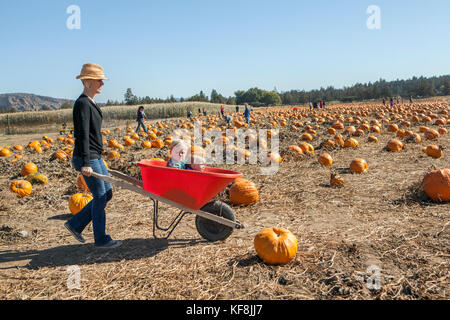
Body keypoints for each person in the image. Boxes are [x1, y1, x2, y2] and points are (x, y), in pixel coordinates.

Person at [64, 63, 121, 249]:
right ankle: (100, 238)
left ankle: (75, 224)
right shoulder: (82, 104)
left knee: (107, 193)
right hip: (87, 157)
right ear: (87, 81)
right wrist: (86, 163)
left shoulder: (91, 102)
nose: (102, 84)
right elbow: (82, 135)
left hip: (96, 155)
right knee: (100, 195)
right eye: (99, 80)